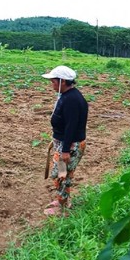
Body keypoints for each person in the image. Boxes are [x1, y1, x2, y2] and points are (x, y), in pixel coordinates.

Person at [42, 65, 88, 216]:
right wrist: (57, 140)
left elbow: (71, 127)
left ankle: (61, 209)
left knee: (61, 175)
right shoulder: (68, 96)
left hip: (69, 146)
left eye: (53, 82)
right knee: (64, 174)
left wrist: (65, 149)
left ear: (62, 81)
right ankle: (63, 200)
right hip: (64, 143)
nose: (52, 85)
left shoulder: (71, 100)